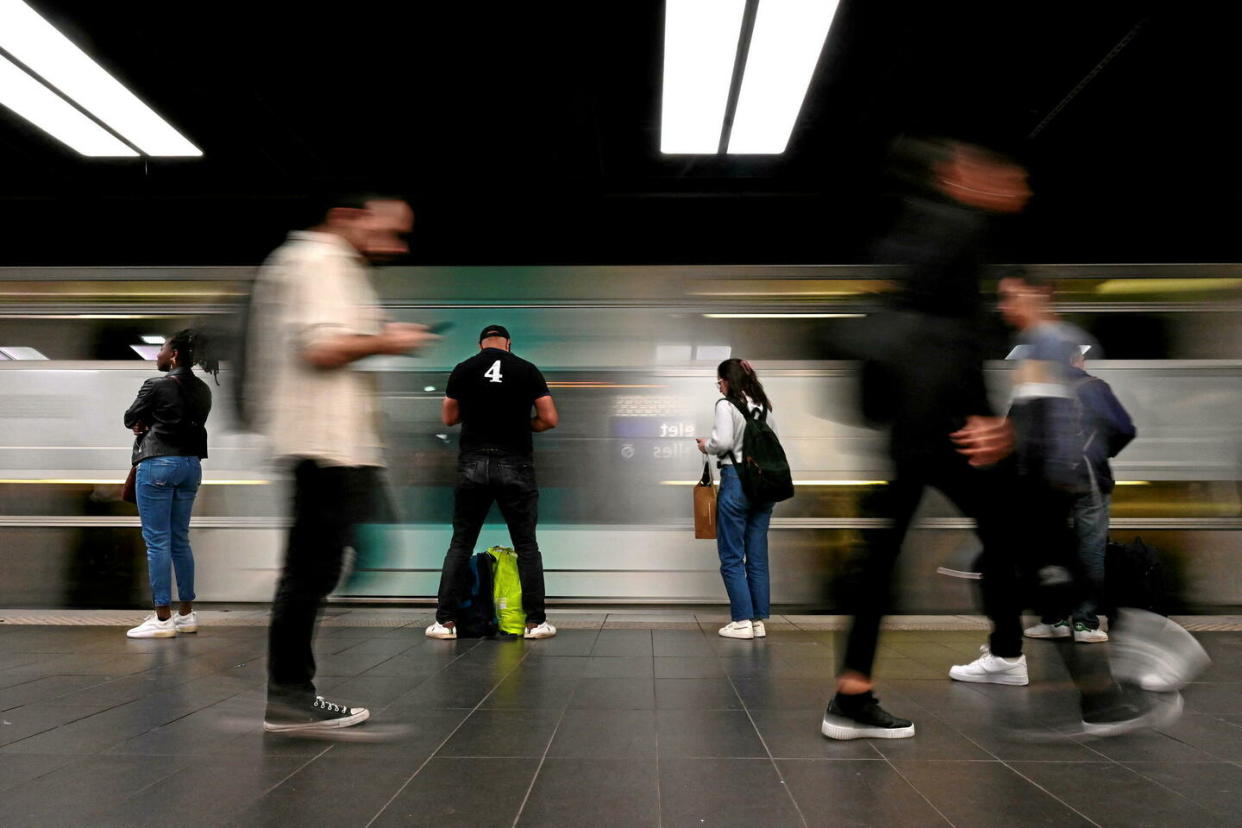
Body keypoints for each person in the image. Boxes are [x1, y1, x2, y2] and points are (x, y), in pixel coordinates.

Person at [822, 138, 1029, 741]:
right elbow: (949, 337)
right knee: (1016, 530)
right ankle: (1095, 683)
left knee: (884, 556)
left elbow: (908, 326)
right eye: (1001, 170)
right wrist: (989, 419)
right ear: (961, 171)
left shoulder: (913, 232)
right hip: (945, 424)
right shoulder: (956, 227)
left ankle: (852, 694)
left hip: (911, 425)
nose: (1017, 186)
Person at [954, 269, 1175, 735]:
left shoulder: (1058, 352)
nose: (1004, 306)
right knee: (1043, 566)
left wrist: (1067, 467)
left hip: (1070, 486)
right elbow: (1028, 422)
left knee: (1068, 562)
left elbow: (1062, 425)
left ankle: (1096, 640)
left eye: (1012, 297)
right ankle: (1065, 659)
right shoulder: (1041, 351)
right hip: (1053, 484)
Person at [246, 194, 436, 732]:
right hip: (324, 446)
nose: (396, 246)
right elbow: (321, 349)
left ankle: (288, 687)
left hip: (335, 446)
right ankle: (288, 695)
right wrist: (388, 341)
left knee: (322, 566)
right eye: (391, 230)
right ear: (346, 215)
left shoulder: (327, 264)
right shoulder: (320, 261)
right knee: (312, 571)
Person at [426, 325, 559, 640]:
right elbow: (549, 418)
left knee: (461, 543)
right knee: (527, 546)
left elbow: (448, 418)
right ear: (508, 344)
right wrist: (522, 425)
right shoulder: (527, 370)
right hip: (516, 463)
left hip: (472, 463)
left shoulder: (463, 369)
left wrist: (476, 414)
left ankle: (444, 623)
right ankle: (535, 623)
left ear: (480, 344)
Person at [1023, 349, 1135, 642]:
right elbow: (1124, 428)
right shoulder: (1093, 387)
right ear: (1076, 360)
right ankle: (1085, 624)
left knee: (1051, 551)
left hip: (1047, 485)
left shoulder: (1037, 389)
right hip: (1089, 481)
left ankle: (1055, 621)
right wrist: (1097, 454)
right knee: (1091, 549)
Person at [123, 329, 216, 639]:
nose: (158, 354)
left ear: (174, 355)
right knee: (179, 540)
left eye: (161, 349)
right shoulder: (203, 389)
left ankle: (162, 619)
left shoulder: (157, 384)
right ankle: (186, 615)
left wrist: (144, 422)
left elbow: (129, 417)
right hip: (191, 466)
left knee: (157, 541)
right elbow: (183, 421)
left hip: (158, 465)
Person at [695, 359, 776, 640]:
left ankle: (740, 620)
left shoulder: (726, 405)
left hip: (737, 481)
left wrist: (707, 445)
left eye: (719, 379)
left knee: (731, 554)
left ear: (728, 380)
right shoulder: (763, 406)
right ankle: (757, 622)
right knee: (756, 556)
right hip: (763, 484)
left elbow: (724, 442)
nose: (718, 385)